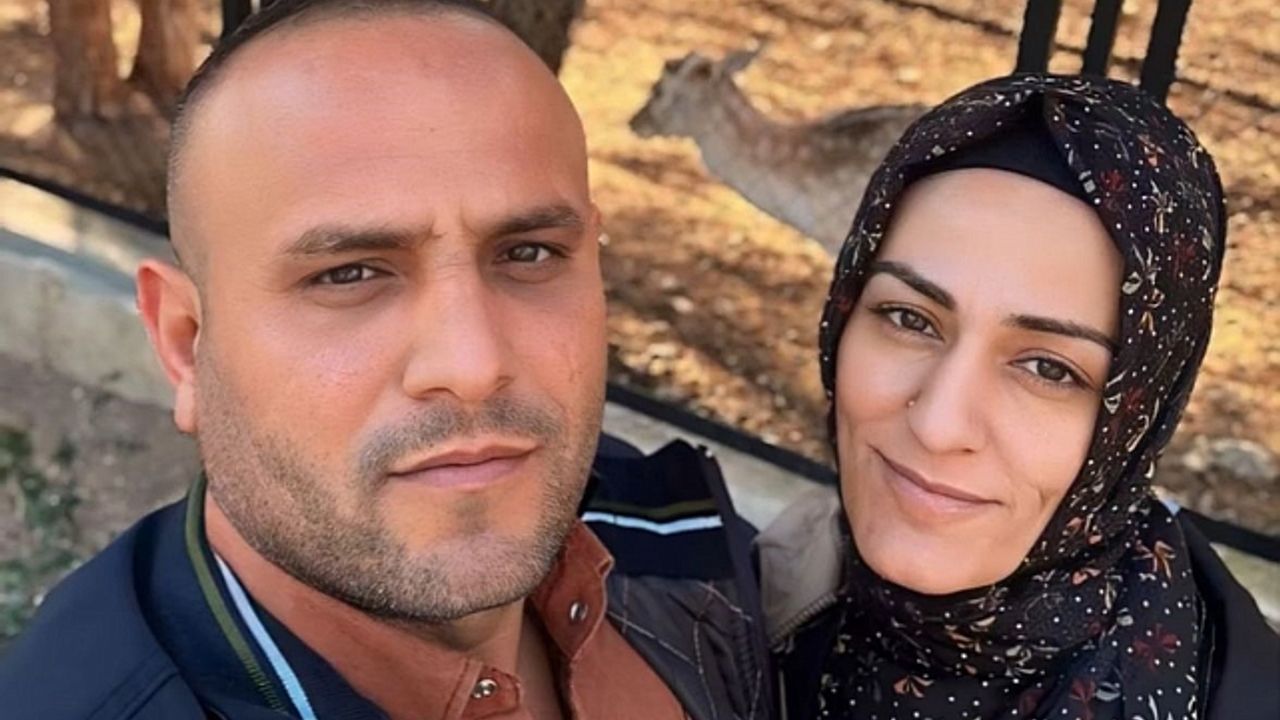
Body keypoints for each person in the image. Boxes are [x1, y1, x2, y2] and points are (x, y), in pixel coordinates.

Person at [0, 2, 771, 718]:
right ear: (184, 342)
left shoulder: (659, 523)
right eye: (350, 274)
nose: (473, 366)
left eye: (529, 252)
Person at [758, 74, 1280, 720]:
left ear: (1135, 422)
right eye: (909, 319)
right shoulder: (743, 596)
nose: (940, 425)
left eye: (1048, 368)